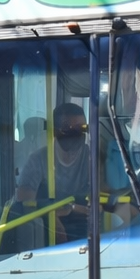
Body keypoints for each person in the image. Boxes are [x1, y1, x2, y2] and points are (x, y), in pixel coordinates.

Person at [13, 102, 97, 244]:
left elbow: (102, 198)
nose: (77, 134)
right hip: (46, 232)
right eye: (69, 129)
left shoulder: (92, 158)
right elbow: (24, 203)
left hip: (87, 231)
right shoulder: (38, 160)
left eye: (82, 128)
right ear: (55, 131)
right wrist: (61, 212)